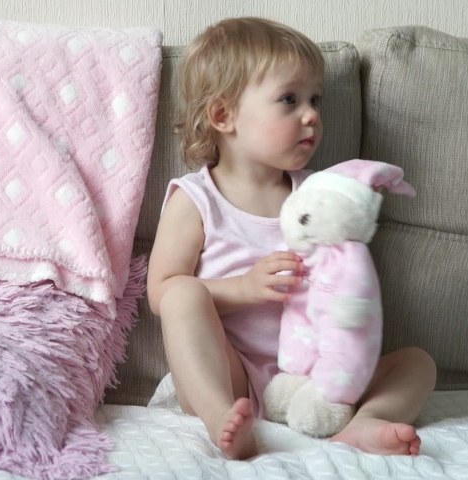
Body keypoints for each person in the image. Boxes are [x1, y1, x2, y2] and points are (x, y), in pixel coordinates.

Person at [146, 17, 436, 461]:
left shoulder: (318, 194)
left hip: (320, 378)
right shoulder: (196, 199)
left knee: (418, 363)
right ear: (224, 115)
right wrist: (242, 289)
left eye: (315, 99)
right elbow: (160, 292)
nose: (312, 115)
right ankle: (220, 419)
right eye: (289, 99)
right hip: (230, 372)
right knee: (182, 296)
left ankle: (365, 422)